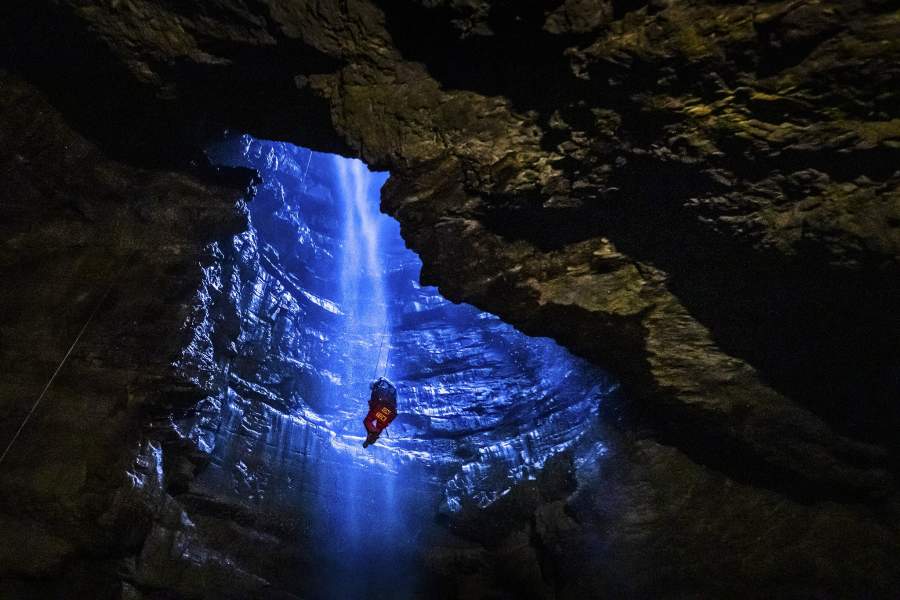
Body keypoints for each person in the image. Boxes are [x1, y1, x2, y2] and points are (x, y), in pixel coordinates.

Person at [362, 377, 397, 448]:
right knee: (379, 424)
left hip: (384, 409)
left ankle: (371, 438)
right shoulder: (386, 389)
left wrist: (371, 405)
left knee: (368, 421)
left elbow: (374, 402)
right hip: (390, 412)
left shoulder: (377, 390)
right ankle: (371, 438)